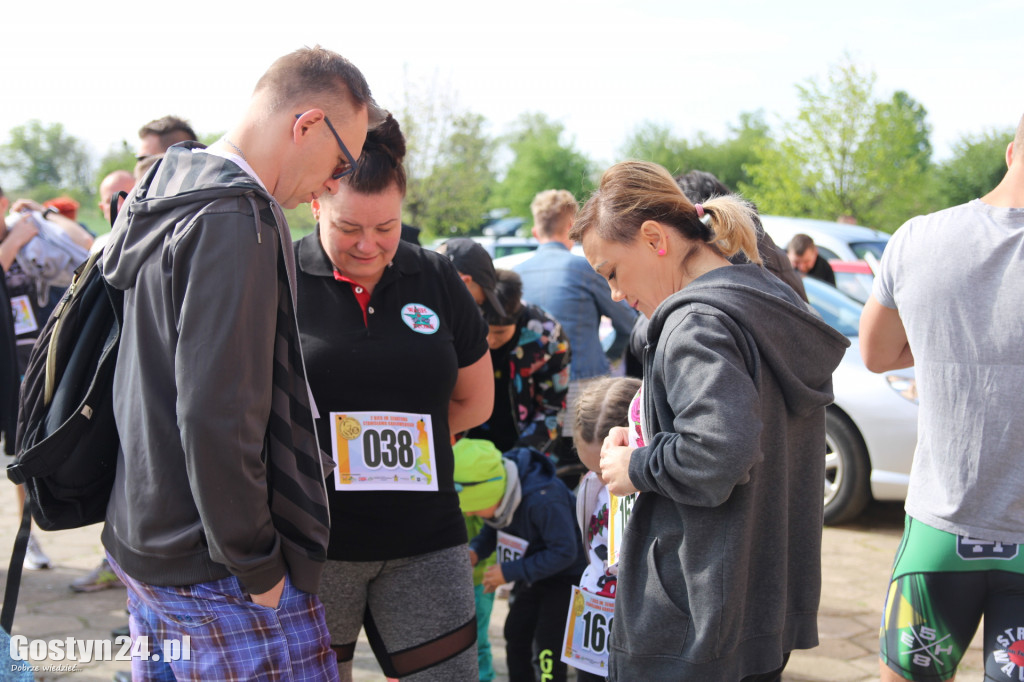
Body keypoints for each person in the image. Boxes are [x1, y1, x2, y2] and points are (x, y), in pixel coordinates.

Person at [98, 45, 382, 680]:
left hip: (146, 538)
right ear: (307, 124)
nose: (337, 181)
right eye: (343, 159)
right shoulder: (236, 214)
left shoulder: (170, 183)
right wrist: (258, 567)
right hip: (217, 569)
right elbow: (217, 414)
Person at [571, 160, 848, 681]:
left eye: (611, 272)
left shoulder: (695, 323)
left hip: (693, 621)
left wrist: (639, 465)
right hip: (755, 606)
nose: (613, 294)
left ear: (654, 238)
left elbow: (719, 449)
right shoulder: (770, 298)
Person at [295, 113, 493, 681]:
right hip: (314, 545)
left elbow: (474, 403)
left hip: (425, 540)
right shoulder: (277, 276)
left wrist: (405, 450)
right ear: (315, 203)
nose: (368, 245)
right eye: (348, 227)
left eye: (386, 227)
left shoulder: (435, 278)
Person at [861, 114, 1024, 682]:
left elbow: (877, 354)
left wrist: (940, 348)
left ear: (1010, 153)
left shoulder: (918, 237)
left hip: (939, 531)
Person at [457, 440, 587, 682]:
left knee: (547, 649)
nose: (471, 514)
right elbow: (494, 526)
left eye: (475, 509)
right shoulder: (502, 494)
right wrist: (476, 550)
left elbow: (564, 552)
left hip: (564, 578)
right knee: (516, 634)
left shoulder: (545, 500)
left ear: (492, 494)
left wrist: (508, 572)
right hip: (532, 573)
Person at [513, 189, 637, 440]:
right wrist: (609, 356)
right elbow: (629, 324)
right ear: (573, 227)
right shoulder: (585, 269)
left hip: (528, 391)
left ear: (536, 232)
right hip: (583, 387)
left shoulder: (516, 274)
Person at [570, 375, 641, 682]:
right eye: (590, 469)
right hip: (593, 617)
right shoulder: (590, 485)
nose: (599, 478)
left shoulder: (653, 491)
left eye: (603, 469)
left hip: (637, 627)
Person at [463, 268, 570, 455]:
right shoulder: (461, 327)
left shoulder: (548, 337)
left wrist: (526, 454)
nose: (491, 341)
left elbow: (553, 406)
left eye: (499, 333)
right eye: (484, 331)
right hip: (466, 435)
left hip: (522, 436)